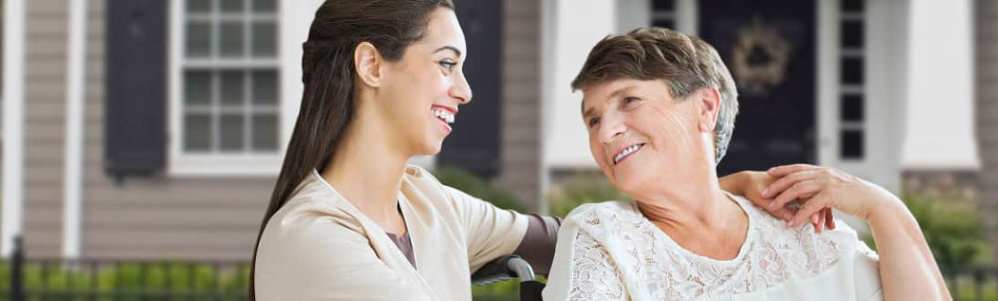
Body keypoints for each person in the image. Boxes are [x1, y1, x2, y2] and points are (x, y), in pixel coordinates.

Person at [250, 2, 777, 300]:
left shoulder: (429, 206)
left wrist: (718, 190)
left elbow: (579, 236)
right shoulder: (310, 240)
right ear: (371, 66)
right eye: (446, 63)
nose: (465, 89)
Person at [543, 27, 950, 300]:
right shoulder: (605, 236)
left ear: (705, 107)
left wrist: (881, 208)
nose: (604, 132)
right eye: (592, 119)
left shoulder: (803, 232)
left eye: (629, 101)